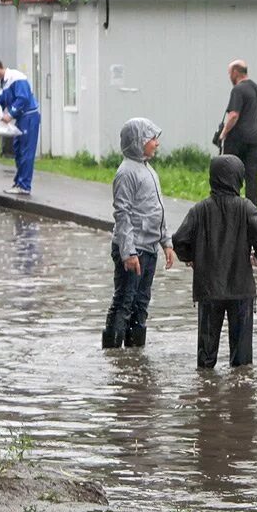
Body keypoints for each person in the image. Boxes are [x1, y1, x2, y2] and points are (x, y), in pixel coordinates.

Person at [172, 155, 257, 369]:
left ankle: (206, 396)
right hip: (241, 290)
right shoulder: (247, 208)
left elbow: (179, 239)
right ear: (238, 178)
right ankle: (239, 398)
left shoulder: (199, 210)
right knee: (242, 361)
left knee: (206, 358)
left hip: (208, 290)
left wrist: (190, 257)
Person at [103, 118, 175, 349]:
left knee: (141, 302)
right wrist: (128, 252)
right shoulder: (126, 173)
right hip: (133, 250)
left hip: (149, 248)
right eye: (152, 139)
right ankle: (113, 354)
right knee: (124, 301)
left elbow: (157, 209)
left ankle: (134, 354)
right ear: (139, 141)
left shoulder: (148, 170)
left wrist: (166, 242)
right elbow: (122, 215)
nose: (156, 144)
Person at [0, 58, 40, 195]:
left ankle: (24, 185)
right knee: (18, 150)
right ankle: (19, 182)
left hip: (29, 117)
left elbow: (23, 98)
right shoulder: (2, 85)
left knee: (26, 152)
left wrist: (11, 114)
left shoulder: (16, 77)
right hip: (21, 119)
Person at [217, 59, 257, 207]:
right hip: (254, 138)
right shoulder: (256, 89)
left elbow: (234, 115)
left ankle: (231, 207)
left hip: (237, 139)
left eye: (229, 73)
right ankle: (252, 211)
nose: (229, 76)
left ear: (236, 72)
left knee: (231, 175)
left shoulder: (238, 90)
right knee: (251, 177)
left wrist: (223, 133)